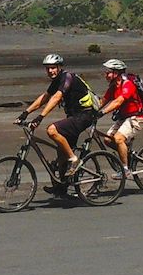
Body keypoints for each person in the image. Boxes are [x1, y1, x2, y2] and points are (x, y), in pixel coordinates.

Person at [15, 54, 97, 195]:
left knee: (52, 130)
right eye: (47, 69)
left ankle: (74, 160)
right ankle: (61, 187)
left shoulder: (67, 77)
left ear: (59, 67)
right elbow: (45, 97)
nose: (50, 71)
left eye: (53, 68)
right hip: (74, 116)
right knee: (61, 152)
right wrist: (25, 113)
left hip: (85, 115)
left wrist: (40, 117)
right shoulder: (57, 80)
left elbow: (57, 97)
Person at [96, 58, 143, 180]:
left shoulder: (127, 84)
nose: (106, 75)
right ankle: (126, 154)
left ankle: (125, 169)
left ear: (116, 73)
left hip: (136, 118)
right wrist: (90, 110)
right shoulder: (113, 87)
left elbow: (119, 101)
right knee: (108, 140)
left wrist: (103, 112)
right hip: (124, 118)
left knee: (118, 139)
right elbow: (103, 101)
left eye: (108, 72)